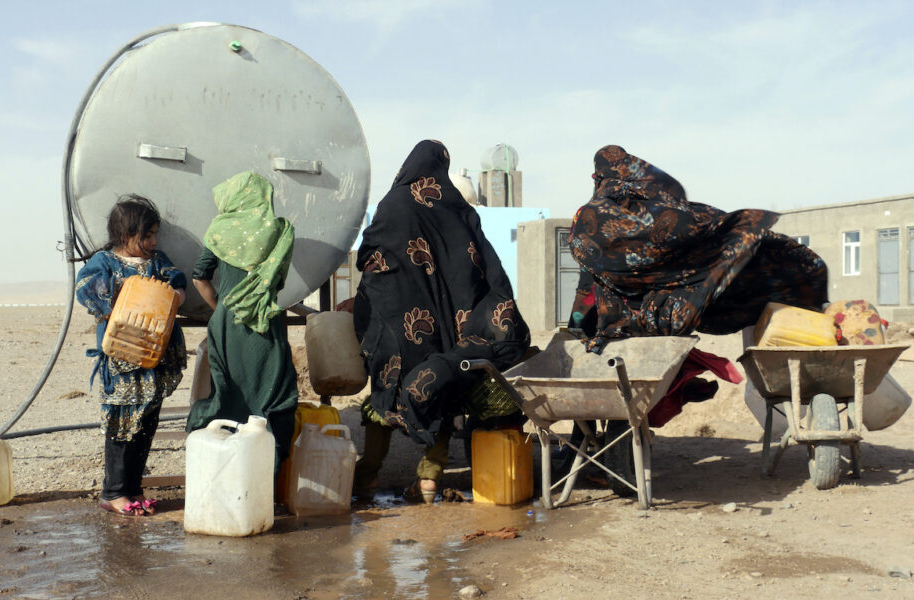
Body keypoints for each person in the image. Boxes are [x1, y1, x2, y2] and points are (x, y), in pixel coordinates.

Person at [568, 144, 828, 425]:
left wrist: (577, 326)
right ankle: (661, 400)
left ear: (597, 177)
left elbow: (587, 283)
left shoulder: (587, 217)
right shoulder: (664, 205)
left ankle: (597, 448)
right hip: (671, 316)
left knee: (610, 390)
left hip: (617, 328)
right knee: (634, 384)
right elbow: (709, 227)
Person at [342, 140, 531, 503]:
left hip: (397, 324)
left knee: (386, 391)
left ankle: (368, 476)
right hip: (446, 325)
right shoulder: (458, 210)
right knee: (439, 387)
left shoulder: (393, 205)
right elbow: (481, 268)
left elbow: (371, 259)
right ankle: (429, 478)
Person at [75, 194, 187, 516]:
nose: (153, 242)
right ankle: (113, 493)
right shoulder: (104, 262)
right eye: (147, 236)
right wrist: (124, 291)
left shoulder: (158, 262)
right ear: (126, 236)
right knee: (121, 423)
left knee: (145, 423)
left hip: (153, 357)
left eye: (154, 235)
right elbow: (87, 290)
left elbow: (176, 282)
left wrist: (176, 293)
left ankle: (134, 490)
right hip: (123, 360)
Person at [185, 171, 299, 482]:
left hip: (226, 328)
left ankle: (222, 476)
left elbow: (199, 276)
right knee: (273, 398)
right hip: (266, 327)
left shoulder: (219, 231)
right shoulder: (280, 230)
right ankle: (266, 482)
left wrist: (222, 308)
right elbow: (278, 281)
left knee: (227, 395)